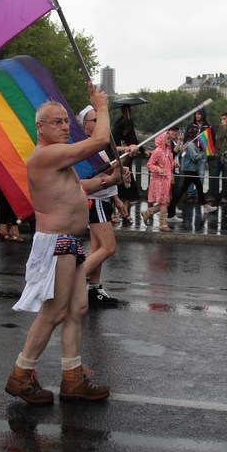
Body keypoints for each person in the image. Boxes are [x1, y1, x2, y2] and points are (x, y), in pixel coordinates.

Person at [4, 86, 112, 404]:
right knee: (54, 313)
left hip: (70, 242)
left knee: (77, 309)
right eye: (57, 122)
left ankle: (72, 378)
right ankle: (21, 376)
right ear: (40, 128)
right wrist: (101, 107)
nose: (65, 127)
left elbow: (78, 188)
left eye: (66, 122)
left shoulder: (58, 160)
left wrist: (110, 180)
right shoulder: (46, 154)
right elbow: (100, 141)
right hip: (57, 242)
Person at [77, 104, 135, 305]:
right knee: (108, 247)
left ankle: (93, 290)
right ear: (85, 124)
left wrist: (116, 199)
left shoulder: (97, 146)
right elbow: (112, 174)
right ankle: (72, 284)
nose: (100, 123)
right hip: (96, 202)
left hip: (103, 200)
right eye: (95, 120)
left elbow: (110, 171)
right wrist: (128, 155)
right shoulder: (88, 147)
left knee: (97, 247)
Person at [141, 131, 177, 232]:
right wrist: (158, 170)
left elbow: (168, 165)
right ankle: (163, 224)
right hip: (159, 181)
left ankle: (148, 213)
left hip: (167, 181)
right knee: (164, 202)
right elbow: (149, 164)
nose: (170, 141)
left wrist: (174, 164)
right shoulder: (158, 151)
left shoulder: (169, 151)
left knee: (166, 202)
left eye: (170, 139)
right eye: (168, 138)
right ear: (162, 139)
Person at [112, 103, 141, 222]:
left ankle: (126, 213)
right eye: (125, 130)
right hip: (117, 163)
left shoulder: (129, 132)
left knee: (128, 190)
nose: (126, 131)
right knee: (114, 191)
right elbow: (111, 147)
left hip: (127, 163)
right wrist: (126, 148)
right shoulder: (114, 133)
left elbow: (135, 142)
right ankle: (112, 214)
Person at [209, 112, 227, 206]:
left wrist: (226, 129)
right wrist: (215, 152)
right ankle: (215, 196)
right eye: (221, 119)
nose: (222, 121)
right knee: (214, 176)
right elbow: (217, 141)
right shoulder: (219, 128)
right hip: (218, 156)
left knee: (226, 177)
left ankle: (225, 196)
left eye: (224, 119)